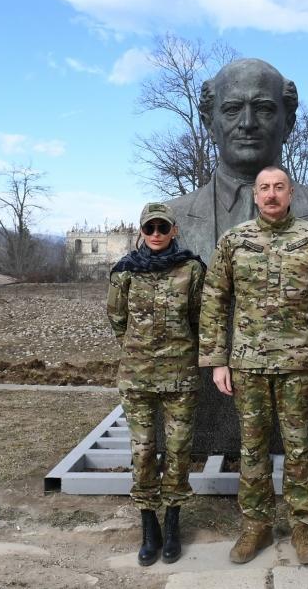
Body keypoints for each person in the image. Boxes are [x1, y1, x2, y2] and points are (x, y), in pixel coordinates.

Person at [199, 166, 308, 566]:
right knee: (252, 449)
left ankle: (302, 527)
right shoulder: (234, 241)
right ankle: (256, 527)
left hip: (298, 365)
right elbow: (215, 300)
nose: (271, 194)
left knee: (299, 448)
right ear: (255, 195)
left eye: (279, 187)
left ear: (290, 193)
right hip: (247, 365)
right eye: (264, 188)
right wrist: (216, 361)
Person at [167, 58, 308, 265]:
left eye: (264, 109)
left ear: (288, 124)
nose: (247, 123)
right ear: (210, 125)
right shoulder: (168, 219)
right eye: (232, 109)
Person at [106, 202, 205, 566]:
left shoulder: (192, 269)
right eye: (151, 229)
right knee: (143, 451)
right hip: (138, 378)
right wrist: (139, 352)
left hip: (181, 376)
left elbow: (200, 318)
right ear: (142, 232)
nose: (157, 234)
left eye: (163, 227)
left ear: (174, 230)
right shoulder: (125, 272)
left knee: (178, 452)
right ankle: (149, 525)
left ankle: (174, 522)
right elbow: (117, 319)